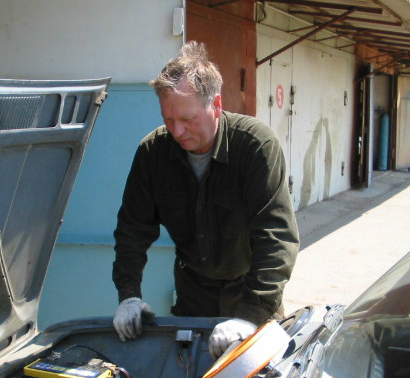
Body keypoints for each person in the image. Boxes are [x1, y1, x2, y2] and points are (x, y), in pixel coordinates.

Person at [112, 41, 299, 358]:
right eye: (168, 120)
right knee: (189, 375)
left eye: (187, 119)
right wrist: (129, 295)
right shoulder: (153, 153)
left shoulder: (255, 146)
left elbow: (276, 237)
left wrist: (249, 317)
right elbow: (132, 230)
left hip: (251, 292)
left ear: (216, 104)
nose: (177, 131)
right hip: (193, 296)